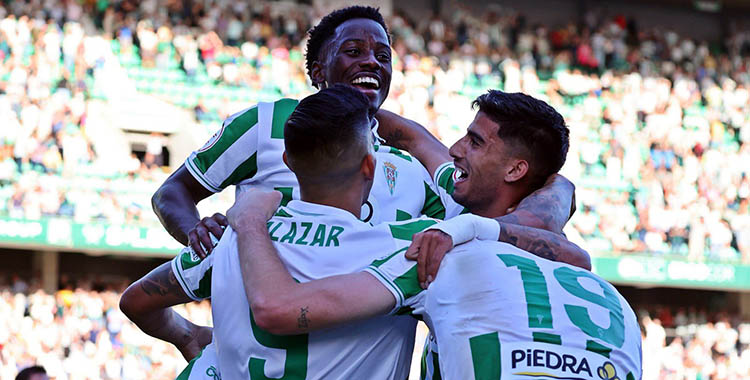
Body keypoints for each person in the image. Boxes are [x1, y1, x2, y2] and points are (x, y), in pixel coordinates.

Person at [136, 85, 589, 379]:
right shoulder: (418, 242)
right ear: (371, 166)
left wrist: (190, 334)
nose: (455, 148)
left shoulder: (237, 234)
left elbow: (138, 300)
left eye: (474, 141)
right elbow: (569, 245)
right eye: (352, 51)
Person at [150, 5, 576, 259]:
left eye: (383, 55)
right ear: (318, 72)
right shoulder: (265, 123)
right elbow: (172, 192)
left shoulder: (410, 167)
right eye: (353, 51)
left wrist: (561, 188)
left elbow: (495, 220)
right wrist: (195, 231)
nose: (372, 62)